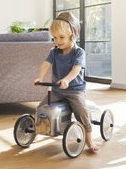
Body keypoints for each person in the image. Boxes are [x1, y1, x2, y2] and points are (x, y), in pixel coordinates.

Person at [33, 12, 99, 152]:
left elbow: (76, 69)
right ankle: (37, 129)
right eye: (54, 38)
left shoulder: (78, 52)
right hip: (57, 90)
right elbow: (45, 64)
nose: (57, 41)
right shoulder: (54, 52)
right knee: (41, 108)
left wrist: (67, 80)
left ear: (72, 35)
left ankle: (88, 138)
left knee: (81, 111)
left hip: (75, 90)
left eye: (61, 37)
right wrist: (40, 77)